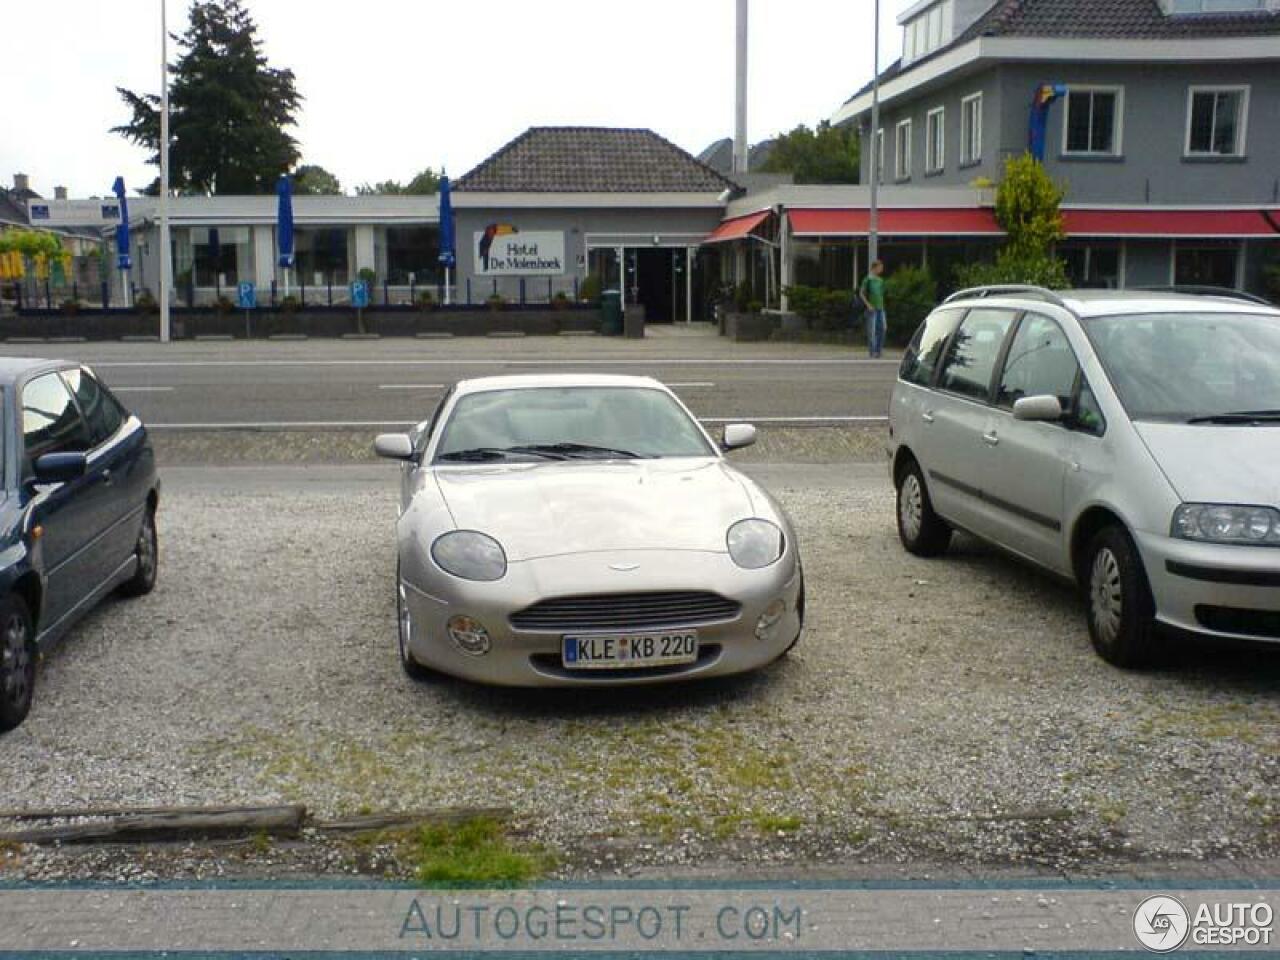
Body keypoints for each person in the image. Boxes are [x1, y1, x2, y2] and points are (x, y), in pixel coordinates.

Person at [859, 260, 887, 359]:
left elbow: (881, 294)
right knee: (872, 331)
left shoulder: (880, 280)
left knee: (883, 329)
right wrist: (868, 305)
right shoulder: (868, 279)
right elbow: (861, 293)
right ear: (874, 268)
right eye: (880, 267)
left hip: (881, 308)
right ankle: (873, 351)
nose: (881, 269)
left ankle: (878, 350)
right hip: (872, 309)